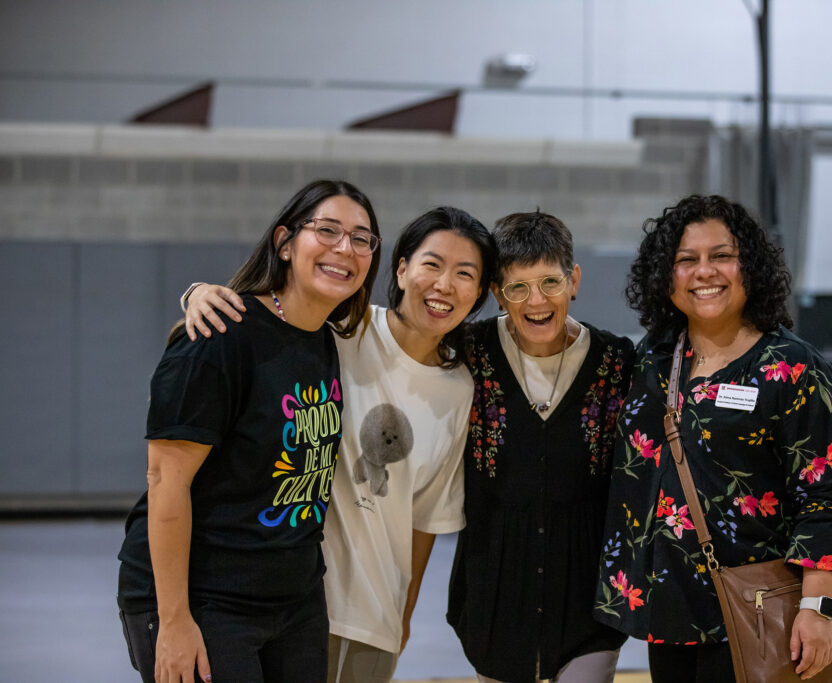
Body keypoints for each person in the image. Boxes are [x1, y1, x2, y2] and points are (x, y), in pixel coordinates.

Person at [181, 206, 496, 683]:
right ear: (402, 267)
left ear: (478, 294)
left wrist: (402, 617)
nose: (445, 285)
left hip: (375, 620)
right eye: (432, 264)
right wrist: (199, 293)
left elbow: (427, 519)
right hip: (294, 604)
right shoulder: (341, 330)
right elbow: (266, 319)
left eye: (465, 274)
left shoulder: (460, 390)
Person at [116, 179, 382, 683]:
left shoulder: (325, 338)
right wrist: (173, 621)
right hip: (205, 598)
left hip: (294, 598)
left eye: (362, 238)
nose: (345, 248)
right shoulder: (220, 337)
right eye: (327, 230)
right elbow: (165, 482)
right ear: (284, 242)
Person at [594, 195, 832, 683]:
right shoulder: (652, 359)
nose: (704, 272)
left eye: (721, 256)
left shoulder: (795, 369)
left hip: (757, 612)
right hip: (669, 613)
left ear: (749, 268)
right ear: (664, 276)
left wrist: (818, 608)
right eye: (685, 260)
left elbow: (828, 499)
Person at [446, 211, 634, 683]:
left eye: (550, 281)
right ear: (495, 293)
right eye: (517, 288)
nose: (536, 301)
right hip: (495, 588)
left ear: (574, 280)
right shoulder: (468, 351)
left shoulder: (618, 362)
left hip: (589, 594)